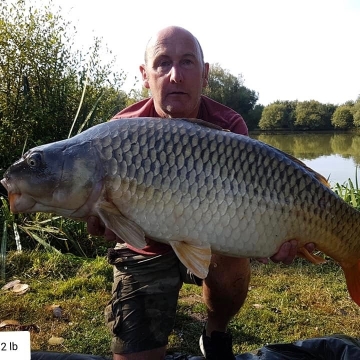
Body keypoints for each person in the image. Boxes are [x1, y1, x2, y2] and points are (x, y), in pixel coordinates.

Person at [87, 26, 315, 360]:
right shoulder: (119, 134)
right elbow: (102, 222)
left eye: (188, 62)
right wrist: (101, 220)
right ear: (144, 75)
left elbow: (247, 206)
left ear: (205, 74)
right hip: (145, 249)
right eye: (163, 63)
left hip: (210, 242)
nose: (175, 75)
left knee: (231, 264)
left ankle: (215, 331)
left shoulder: (228, 125)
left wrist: (272, 236)